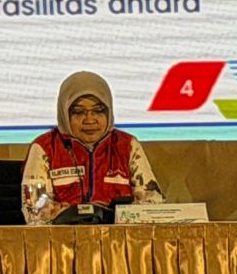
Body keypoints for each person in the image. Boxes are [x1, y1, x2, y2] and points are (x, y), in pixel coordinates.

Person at [21, 71, 163, 223]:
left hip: (118, 235)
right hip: (63, 235)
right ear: (64, 113)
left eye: (98, 111)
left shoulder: (127, 145)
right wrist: (78, 216)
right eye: (79, 112)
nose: (89, 120)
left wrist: (110, 217)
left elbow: (152, 202)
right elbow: (35, 208)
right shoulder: (44, 147)